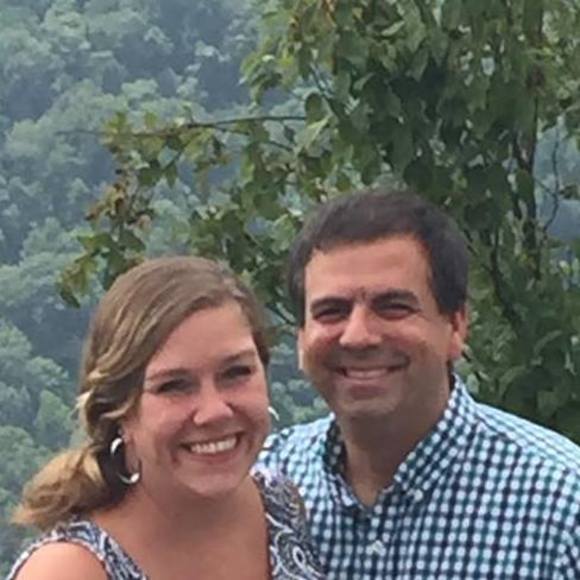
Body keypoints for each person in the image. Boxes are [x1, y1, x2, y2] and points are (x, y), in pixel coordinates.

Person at [259, 190, 580, 579]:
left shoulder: (563, 508)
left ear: (456, 326)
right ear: (301, 337)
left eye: (393, 307)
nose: (358, 336)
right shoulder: (262, 491)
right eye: (332, 311)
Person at [9, 256, 323, 580]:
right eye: (174, 386)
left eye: (236, 373)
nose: (214, 411)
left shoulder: (277, 502)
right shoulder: (68, 571)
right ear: (119, 409)